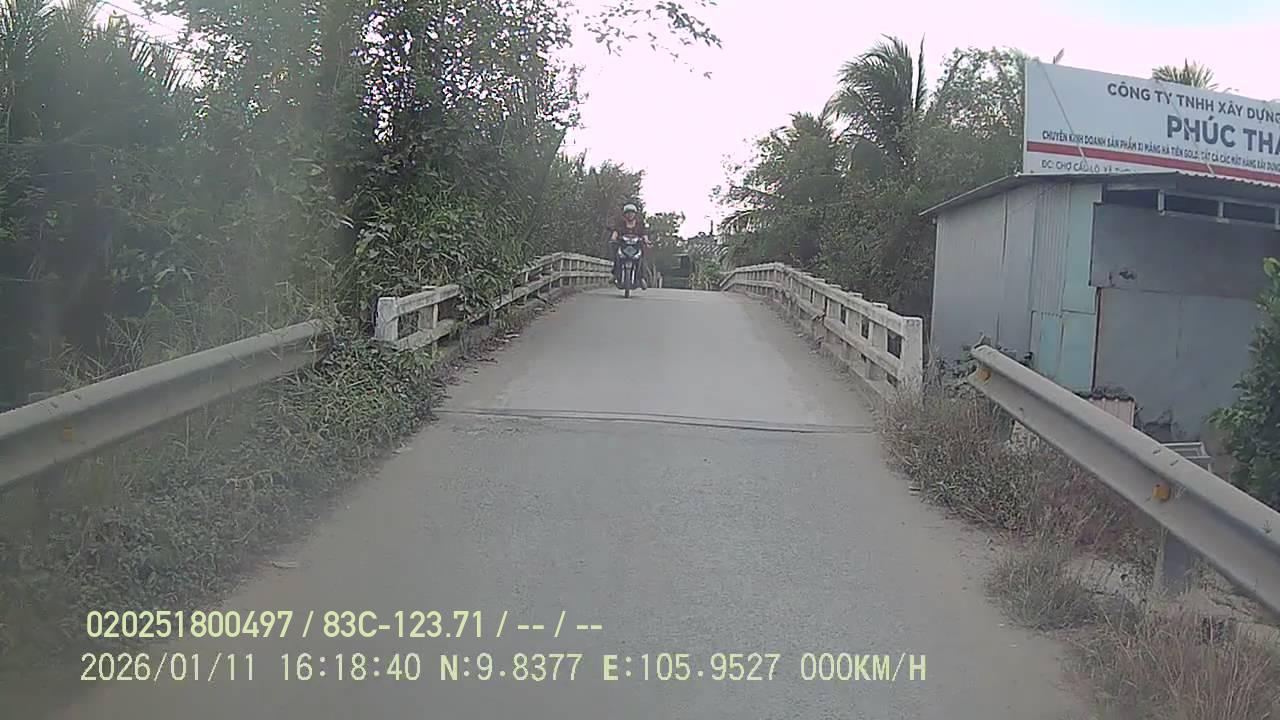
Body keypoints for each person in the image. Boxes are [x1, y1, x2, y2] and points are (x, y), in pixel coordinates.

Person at [609, 203, 650, 289]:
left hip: (636, 246)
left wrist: (646, 240)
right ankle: (614, 274)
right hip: (623, 245)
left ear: (635, 214)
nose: (630, 215)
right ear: (625, 214)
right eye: (628, 213)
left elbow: (644, 233)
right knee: (617, 255)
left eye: (632, 213)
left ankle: (642, 278)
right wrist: (613, 238)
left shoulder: (639, 224)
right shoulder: (621, 224)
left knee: (642, 258)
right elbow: (616, 232)